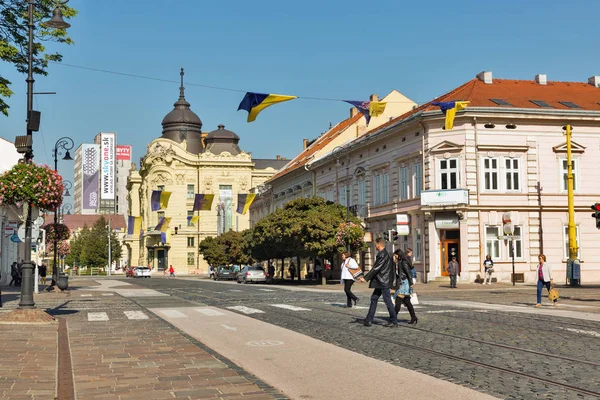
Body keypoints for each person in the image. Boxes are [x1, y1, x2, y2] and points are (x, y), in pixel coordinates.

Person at [359, 238, 398, 327]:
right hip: (381, 281)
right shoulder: (384, 254)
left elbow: (376, 268)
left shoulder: (382, 255)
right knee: (374, 299)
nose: (375, 246)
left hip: (383, 282)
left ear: (378, 244)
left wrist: (365, 278)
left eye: (375, 244)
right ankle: (369, 320)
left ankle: (394, 321)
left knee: (387, 301)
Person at [393, 249, 418, 324]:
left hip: (405, 283)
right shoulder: (400, 262)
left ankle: (393, 318)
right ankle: (413, 317)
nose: (395, 257)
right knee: (407, 301)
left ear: (398, 255)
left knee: (398, 300)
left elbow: (408, 273)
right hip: (404, 282)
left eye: (395, 256)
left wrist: (411, 283)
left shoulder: (403, 263)